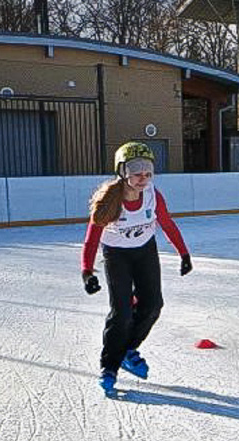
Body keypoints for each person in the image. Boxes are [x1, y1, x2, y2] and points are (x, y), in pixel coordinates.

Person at [81, 142, 192, 397]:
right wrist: (87, 271)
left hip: (144, 251)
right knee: (121, 313)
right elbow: (91, 239)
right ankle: (109, 367)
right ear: (123, 172)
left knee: (153, 305)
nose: (144, 178)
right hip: (116, 255)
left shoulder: (153, 195)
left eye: (149, 172)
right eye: (137, 172)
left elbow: (167, 224)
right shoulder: (110, 200)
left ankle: (128, 350)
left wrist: (183, 253)